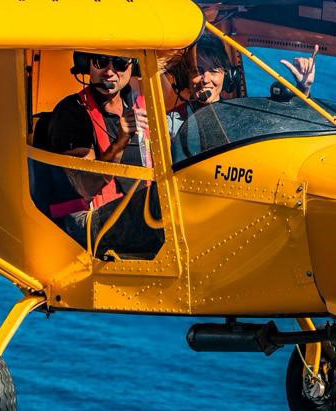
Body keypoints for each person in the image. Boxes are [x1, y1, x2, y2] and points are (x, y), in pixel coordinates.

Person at [46, 52, 162, 257]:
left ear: (132, 67)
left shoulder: (138, 105)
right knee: (160, 203)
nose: (109, 72)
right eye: (100, 62)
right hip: (87, 223)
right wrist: (120, 142)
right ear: (87, 64)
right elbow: (84, 186)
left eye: (118, 63)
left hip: (132, 216)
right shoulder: (71, 112)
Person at [163, 33, 318, 138]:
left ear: (228, 76)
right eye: (198, 71)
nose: (206, 79)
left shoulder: (241, 114)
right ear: (186, 78)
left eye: (214, 70)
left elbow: (285, 126)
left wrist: (303, 88)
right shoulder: (170, 123)